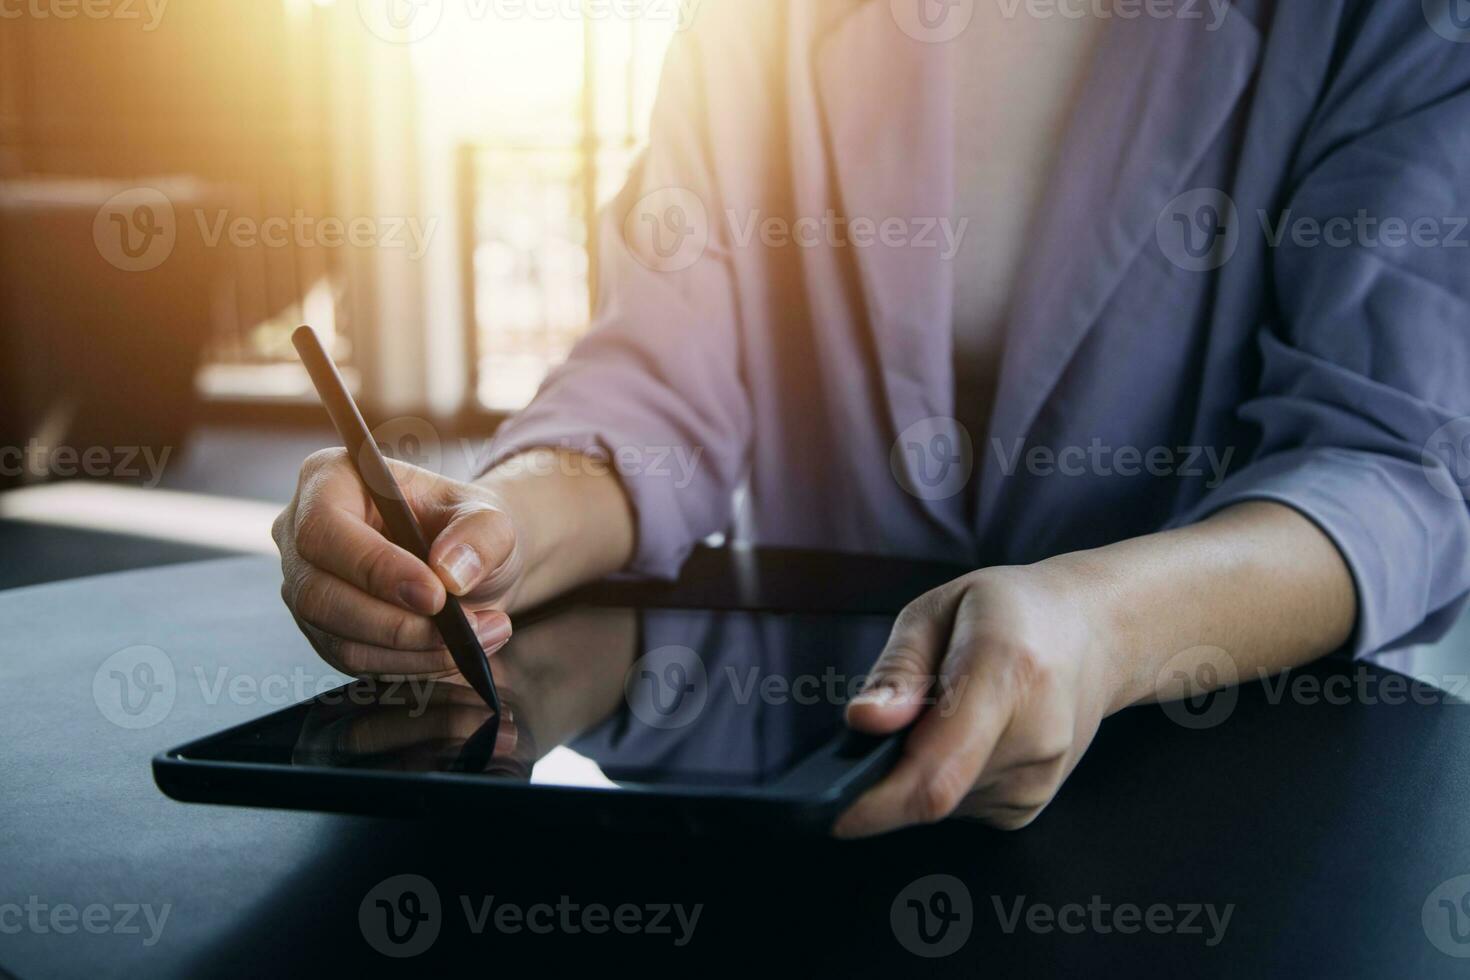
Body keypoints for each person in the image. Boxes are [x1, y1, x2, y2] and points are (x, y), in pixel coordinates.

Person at [272, 0, 1470, 837]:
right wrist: (500, 516)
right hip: (808, 776)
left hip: (1238, 787)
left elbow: (1386, 461)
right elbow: (661, 377)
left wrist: (1106, 625)